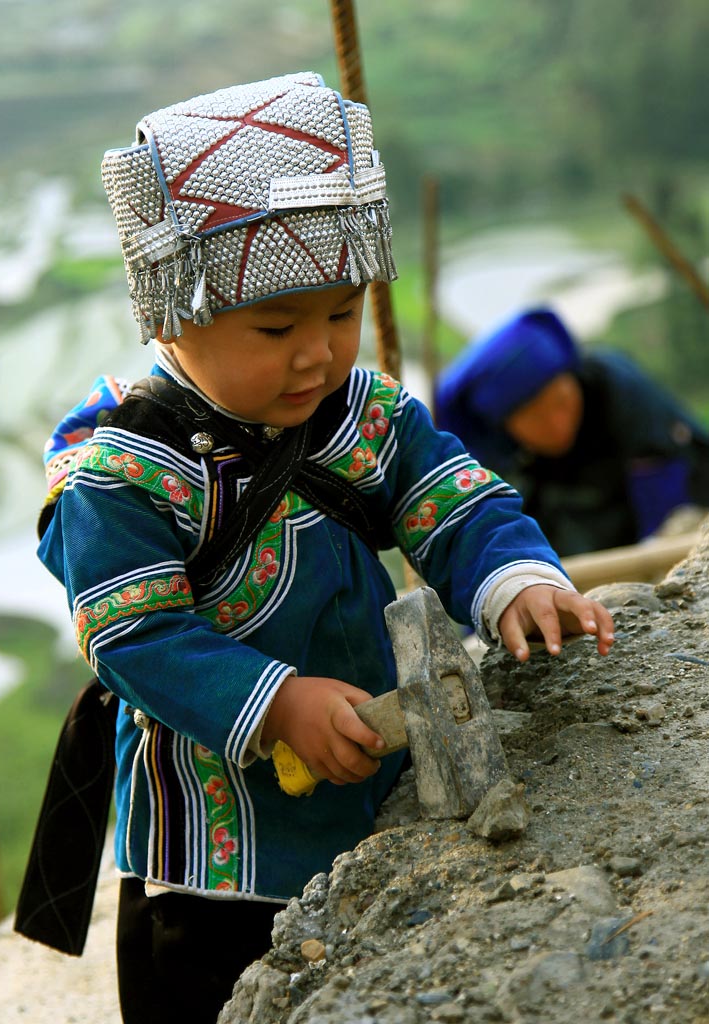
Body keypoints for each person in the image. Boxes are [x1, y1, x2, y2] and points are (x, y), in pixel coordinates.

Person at [35, 73, 614, 1023]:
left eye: (341, 315)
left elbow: (451, 499)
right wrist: (275, 703)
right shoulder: (120, 477)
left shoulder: (363, 413)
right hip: (219, 870)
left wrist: (514, 581)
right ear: (170, 312)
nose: (318, 354)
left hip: (377, 798)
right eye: (276, 328)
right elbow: (132, 635)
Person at [433, 308, 709, 556]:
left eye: (562, 402)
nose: (557, 423)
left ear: (572, 379)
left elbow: (667, 475)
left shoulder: (615, 389)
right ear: (507, 427)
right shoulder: (505, 467)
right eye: (535, 418)